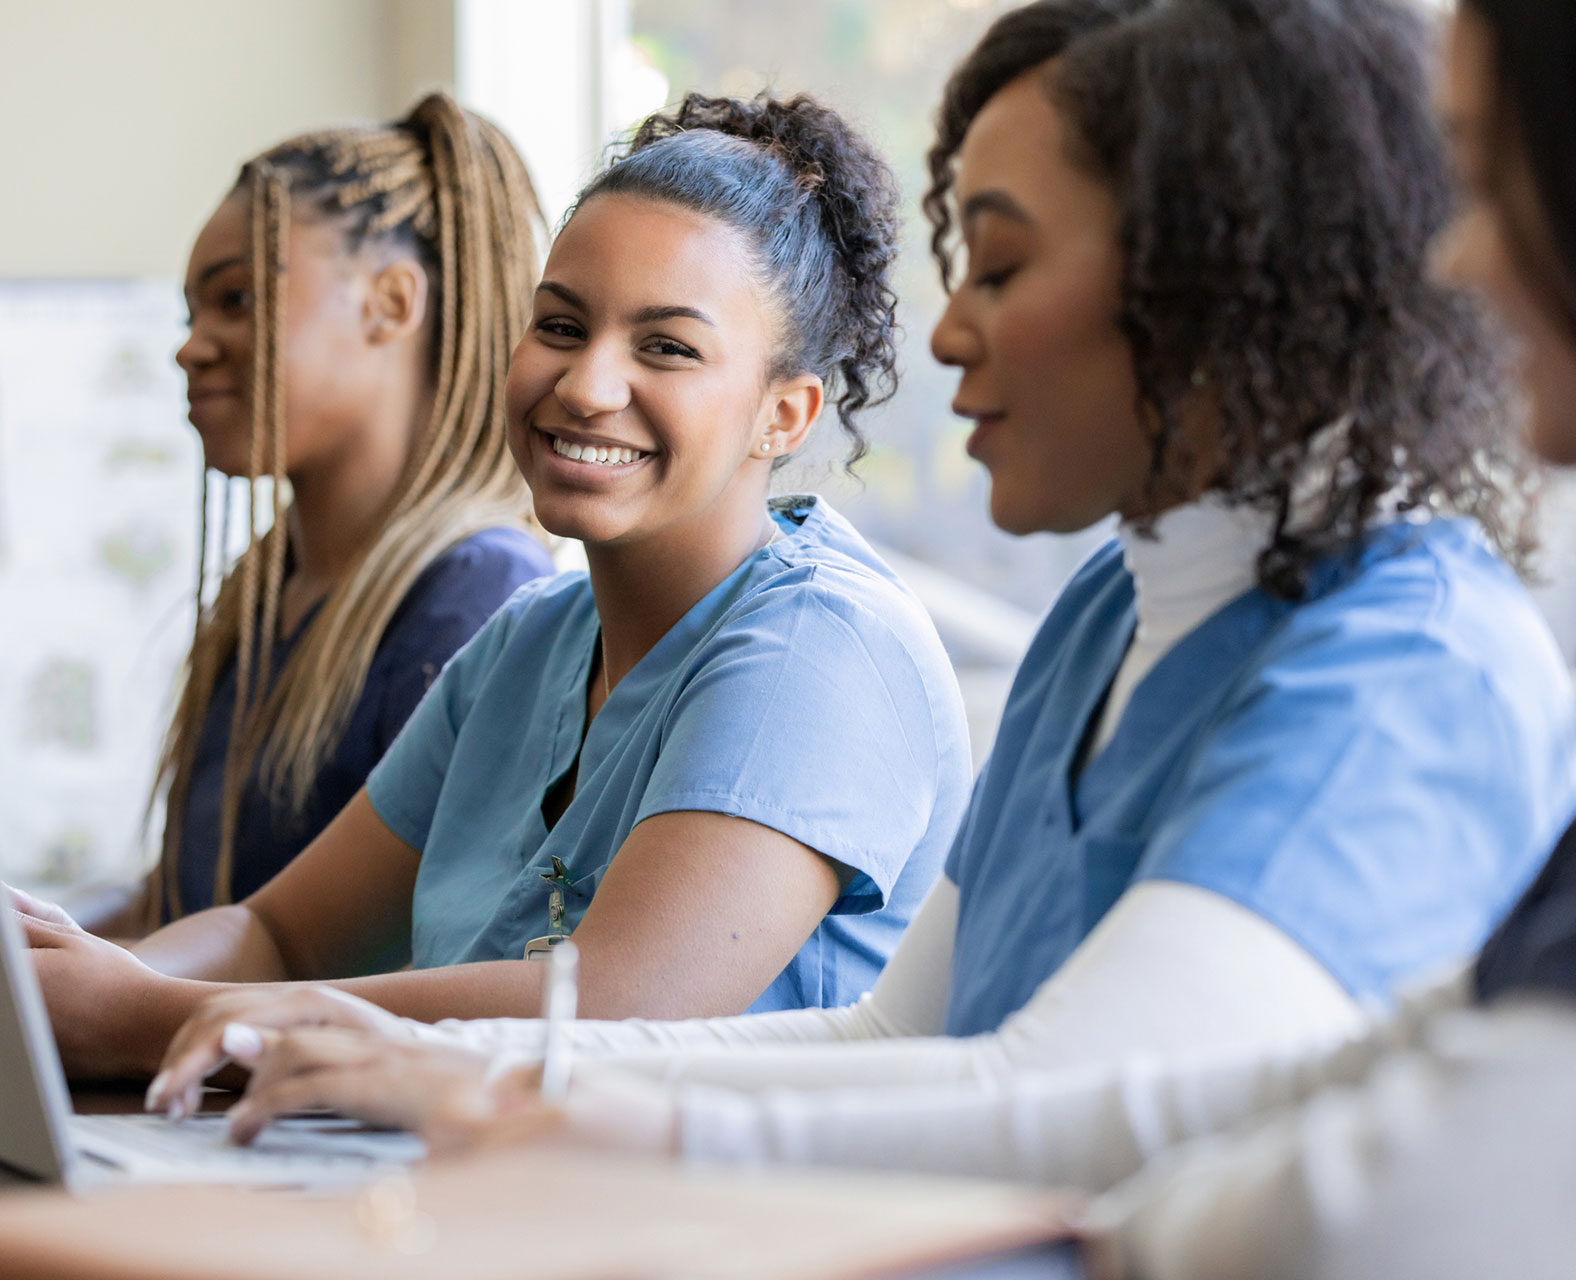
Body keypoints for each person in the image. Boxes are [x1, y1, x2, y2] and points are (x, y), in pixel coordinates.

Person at [154, 0, 1576, 1186]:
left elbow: (1075, 1104)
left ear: (1227, 278)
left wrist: (524, 1098)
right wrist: (436, 1058)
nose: (949, 330)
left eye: (1002, 266)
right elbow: (900, 1040)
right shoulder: (1106, 612)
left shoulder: (1408, 663)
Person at [0, 91, 969, 1083]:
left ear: (785, 413)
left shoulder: (823, 648)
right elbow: (278, 932)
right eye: (559, 325)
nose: (587, 385)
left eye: (666, 346)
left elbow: (620, 1008)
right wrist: (79, 987)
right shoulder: (526, 641)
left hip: (698, 1225)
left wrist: (146, 1017)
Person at [0, 92, 556, 1024]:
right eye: (192, 308)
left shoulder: (480, 599)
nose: (189, 347)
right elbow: (187, 910)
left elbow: (399, 958)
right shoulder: (264, 594)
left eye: (237, 299)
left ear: (391, 303)